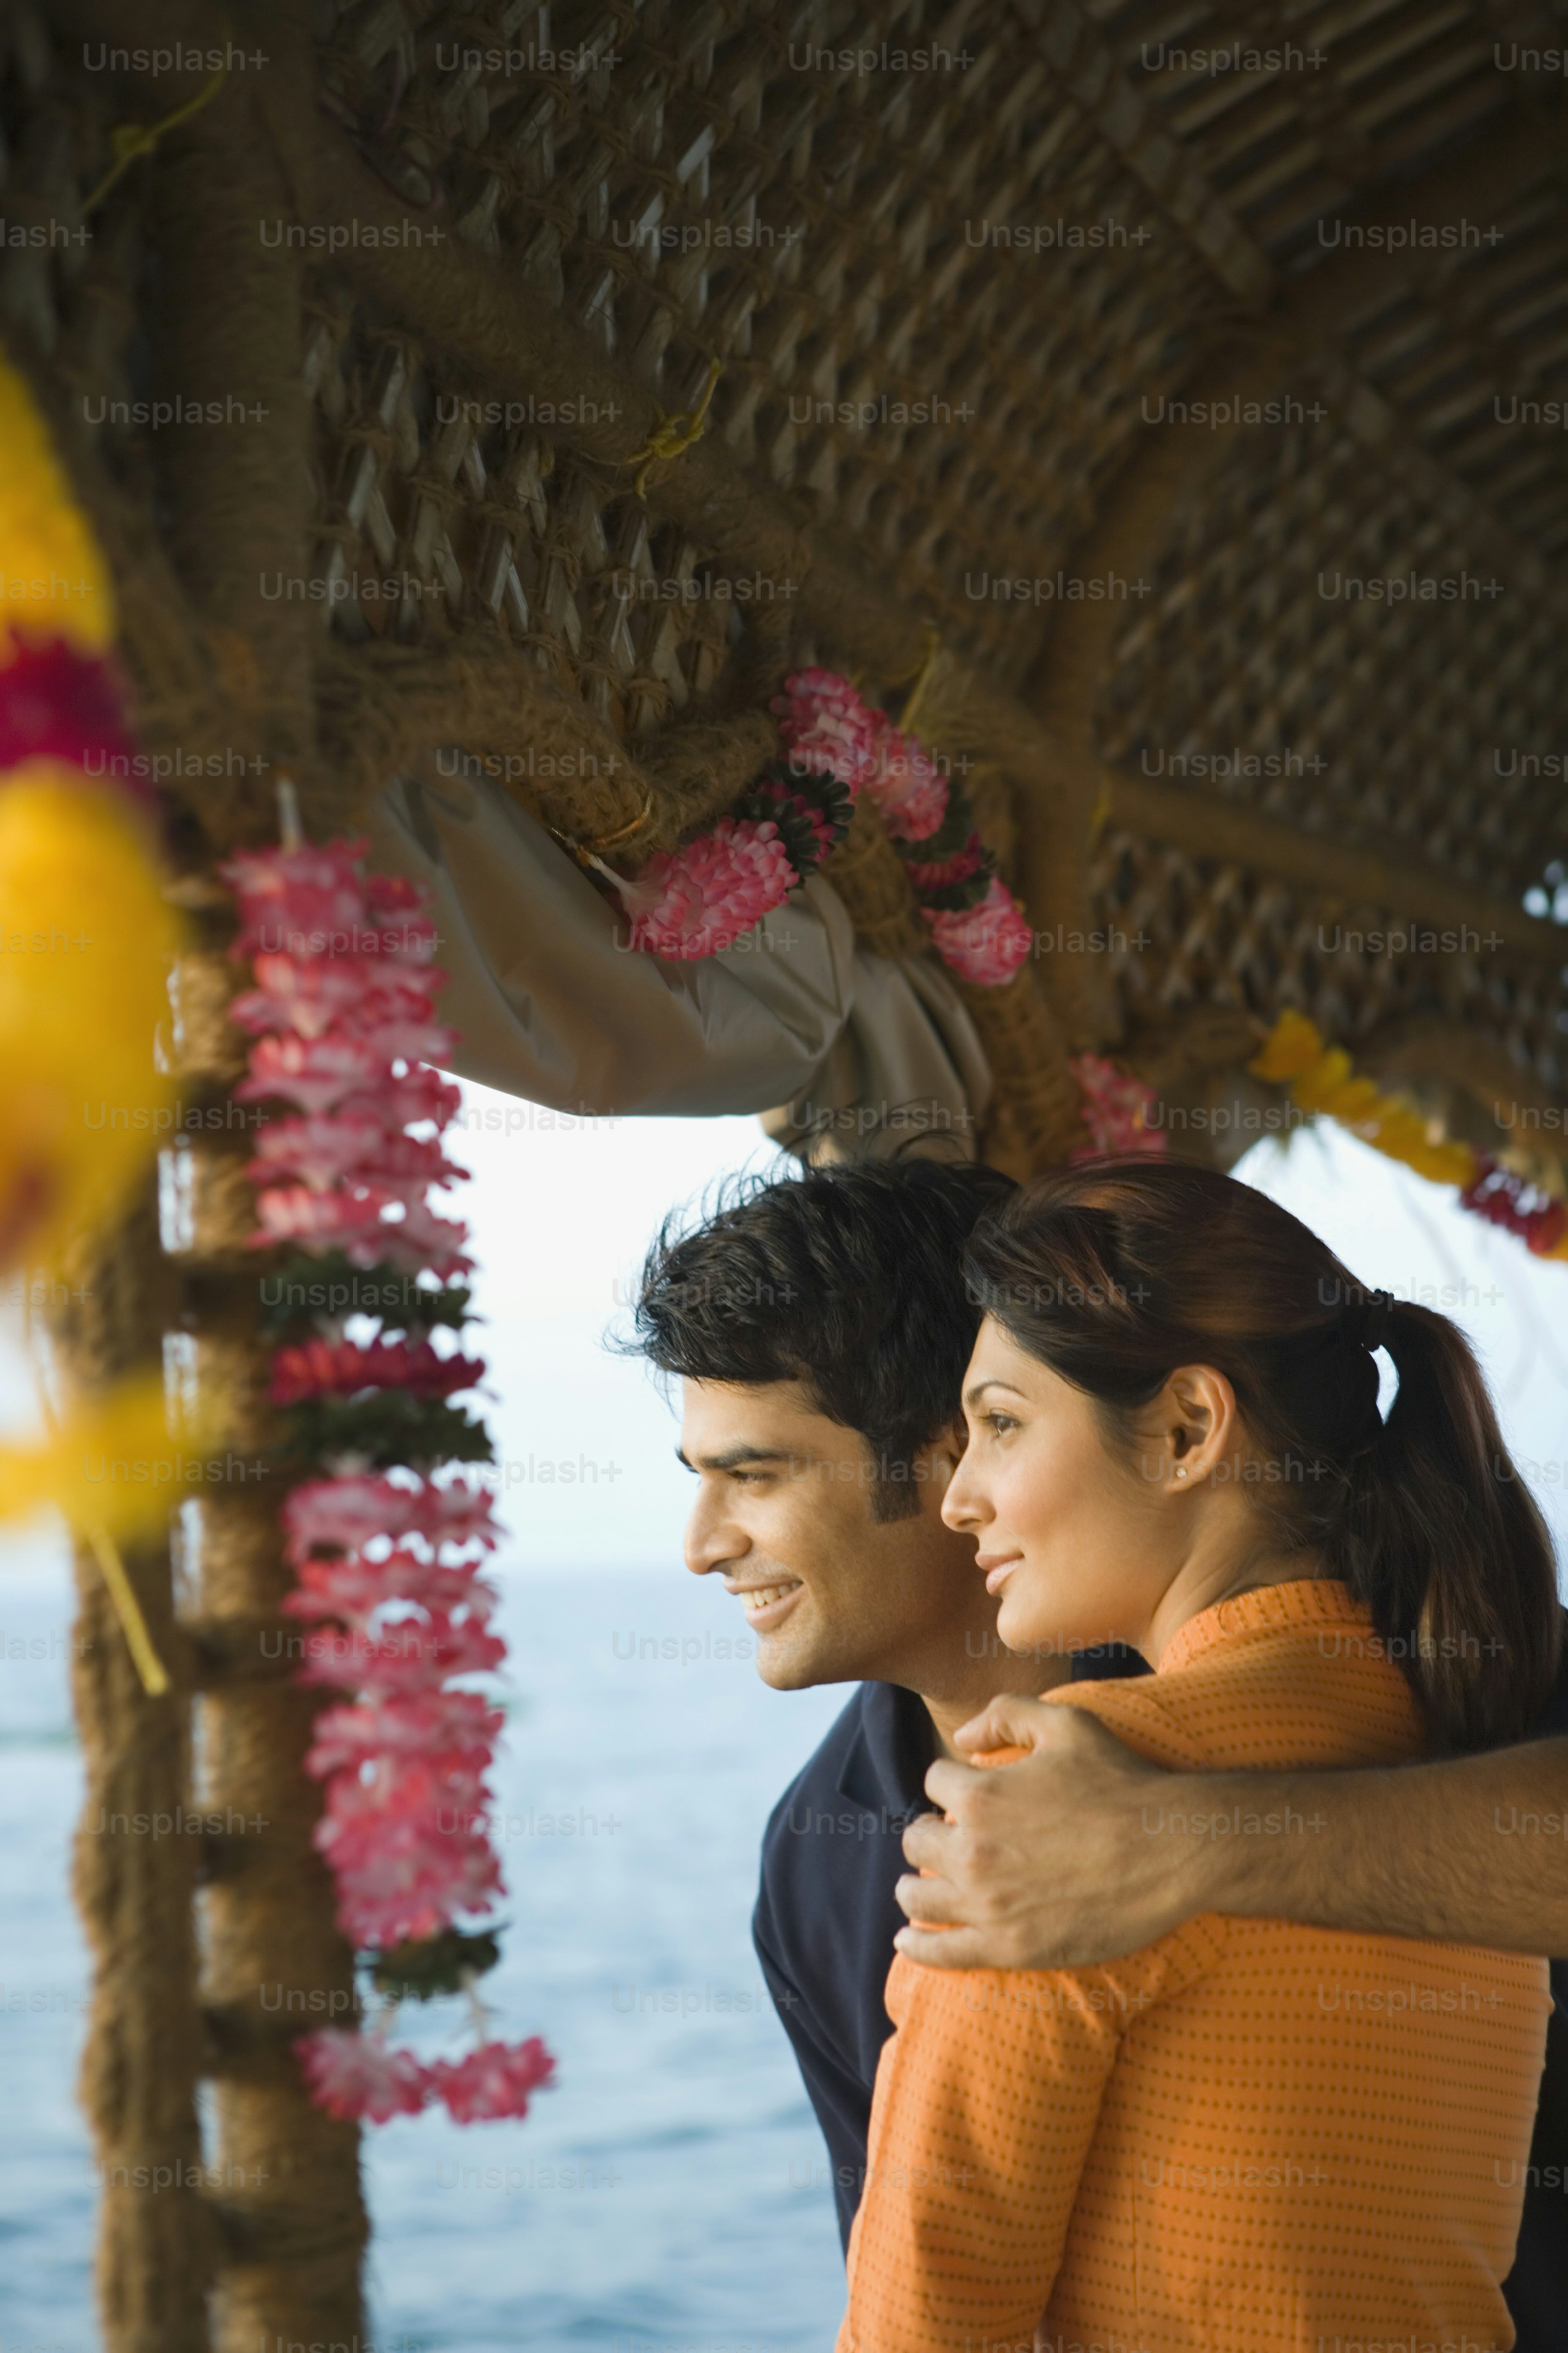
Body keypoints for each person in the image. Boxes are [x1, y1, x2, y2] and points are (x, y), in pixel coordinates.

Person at [628, 1156, 1568, 2345]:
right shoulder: (818, 1859)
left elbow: (923, 2317)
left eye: (751, 1476)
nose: (701, 1547)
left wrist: (1175, 1840)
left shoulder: (1487, 1688)